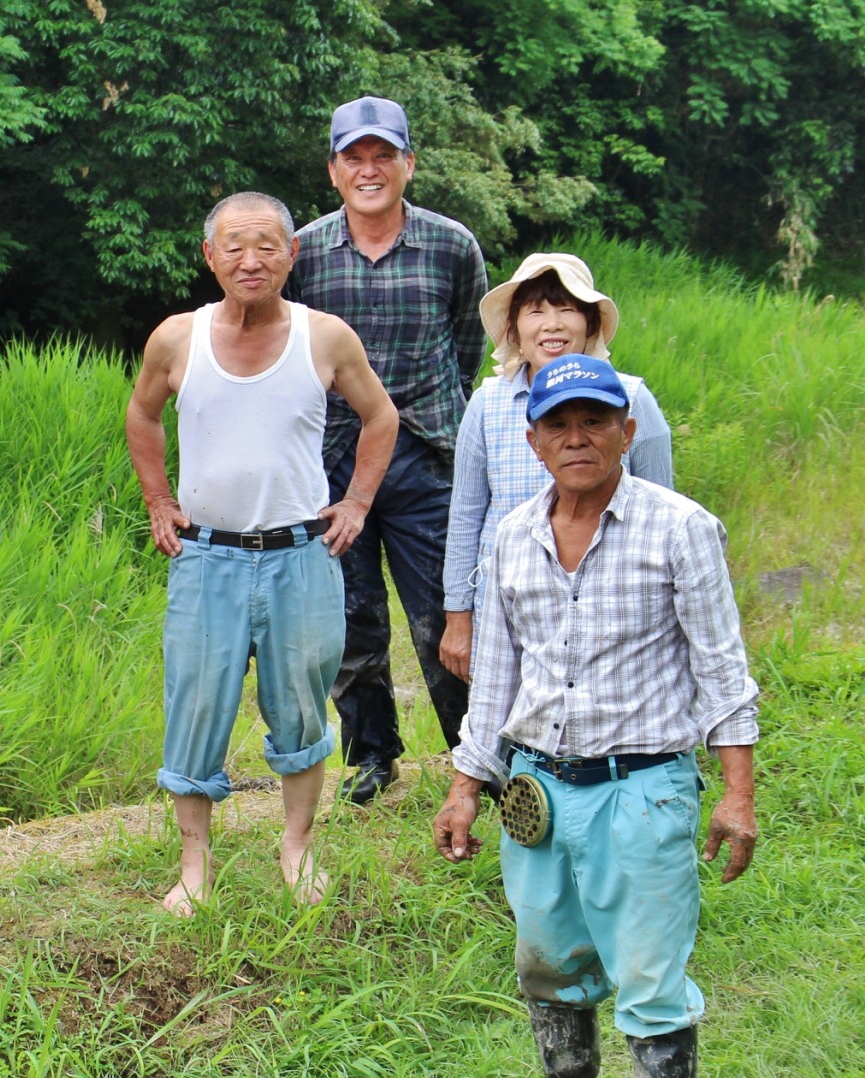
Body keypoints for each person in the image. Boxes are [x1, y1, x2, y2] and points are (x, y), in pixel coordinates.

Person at [434, 356, 759, 1078]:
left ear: (626, 431)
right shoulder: (509, 535)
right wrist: (469, 786)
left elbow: (722, 669)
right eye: (558, 425)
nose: (576, 438)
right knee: (548, 965)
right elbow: (495, 681)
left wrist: (736, 794)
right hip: (537, 792)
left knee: (650, 982)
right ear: (534, 440)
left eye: (594, 421)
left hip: (641, 789)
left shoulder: (680, 528)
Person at [125, 193, 399, 911]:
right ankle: (193, 865)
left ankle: (298, 846)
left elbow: (381, 416)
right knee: (196, 704)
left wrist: (358, 502)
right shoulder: (177, 339)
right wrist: (158, 500)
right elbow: (142, 413)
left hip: (300, 556)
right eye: (235, 246)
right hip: (206, 555)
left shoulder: (326, 337)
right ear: (209, 256)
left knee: (303, 705)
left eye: (267, 245)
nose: (252, 260)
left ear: (293, 254)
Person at [286, 95, 488, 804]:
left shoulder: (452, 245)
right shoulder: (304, 251)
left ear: (408, 163)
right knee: (352, 620)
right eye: (354, 158)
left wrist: (432, 421)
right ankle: (374, 757)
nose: (369, 170)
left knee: (444, 614)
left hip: (427, 458)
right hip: (333, 460)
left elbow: (467, 346)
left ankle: (478, 756)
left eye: (383, 156)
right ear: (334, 171)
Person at [440, 253, 674, 681]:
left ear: (591, 326)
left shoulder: (632, 399)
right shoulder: (488, 404)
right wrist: (458, 614)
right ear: (514, 328)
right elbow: (466, 513)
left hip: (611, 605)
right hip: (505, 603)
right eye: (536, 310)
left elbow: (664, 517)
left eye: (567, 309)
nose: (552, 324)